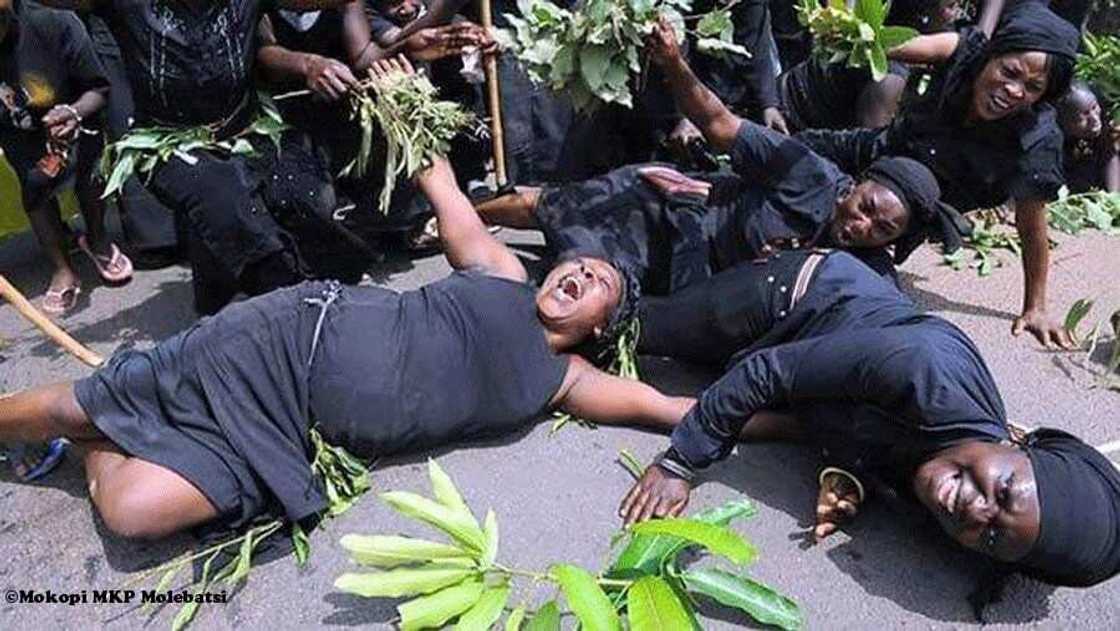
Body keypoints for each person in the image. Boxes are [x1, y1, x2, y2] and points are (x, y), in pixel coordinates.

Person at [0, 56, 694, 540]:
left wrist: (799, 420)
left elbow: (676, 408)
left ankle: (93, 444)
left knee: (132, 512)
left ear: (603, 328)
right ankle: (68, 420)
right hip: (283, 340)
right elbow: (440, 181)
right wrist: (402, 98)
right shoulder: (499, 271)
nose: (575, 273)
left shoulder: (565, 379)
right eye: (577, 265)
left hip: (292, 434)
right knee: (76, 400)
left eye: (596, 283)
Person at [618, 247, 1120, 589]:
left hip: (814, 363)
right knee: (625, 326)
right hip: (791, 298)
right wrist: (679, 464)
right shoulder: (928, 374)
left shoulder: (956, 480)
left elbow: (879, 445)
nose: (976, 510)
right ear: (1020, 445)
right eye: (1005, 491)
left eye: (993, 537)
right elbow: (768, 371)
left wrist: (847, 479)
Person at [475, 19, 966, 294]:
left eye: (882, 230)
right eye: (865, 208)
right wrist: (672, 62)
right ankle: (458, 216)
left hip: (690, 281)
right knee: (553, 207)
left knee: (572, 291)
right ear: (856, 185)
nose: (861, 227)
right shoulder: (809, 175)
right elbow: (719, 123)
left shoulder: (867, 275)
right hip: (673, 201)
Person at [797, 1, 1081, 349]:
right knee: (796, 153)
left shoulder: (1037, 140)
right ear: (992, 55)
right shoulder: (964, 50)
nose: (1015, 90)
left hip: (918, 199)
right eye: (1009, 72)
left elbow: (1031, 225)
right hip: (887, 148)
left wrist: (1035, 306)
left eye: (1033, 87)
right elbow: (894, 46)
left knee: (847, 257)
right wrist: (846, 32)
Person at [0, 0, 132, 314]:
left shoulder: (55, 24)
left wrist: (73, 113)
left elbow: (98, 89)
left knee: (89, 173)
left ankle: (98, 240)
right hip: (19, 133)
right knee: (34, 187)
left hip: (74, 120)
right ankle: (62, 267)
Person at [1057, 81, 1119, 193]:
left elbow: (1109, 154)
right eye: (1084, 116)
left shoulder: (1104, 115)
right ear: (1065, 123)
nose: (1095, 119)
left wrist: (1112, 197)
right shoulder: (1051, 141)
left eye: (1094, 108)